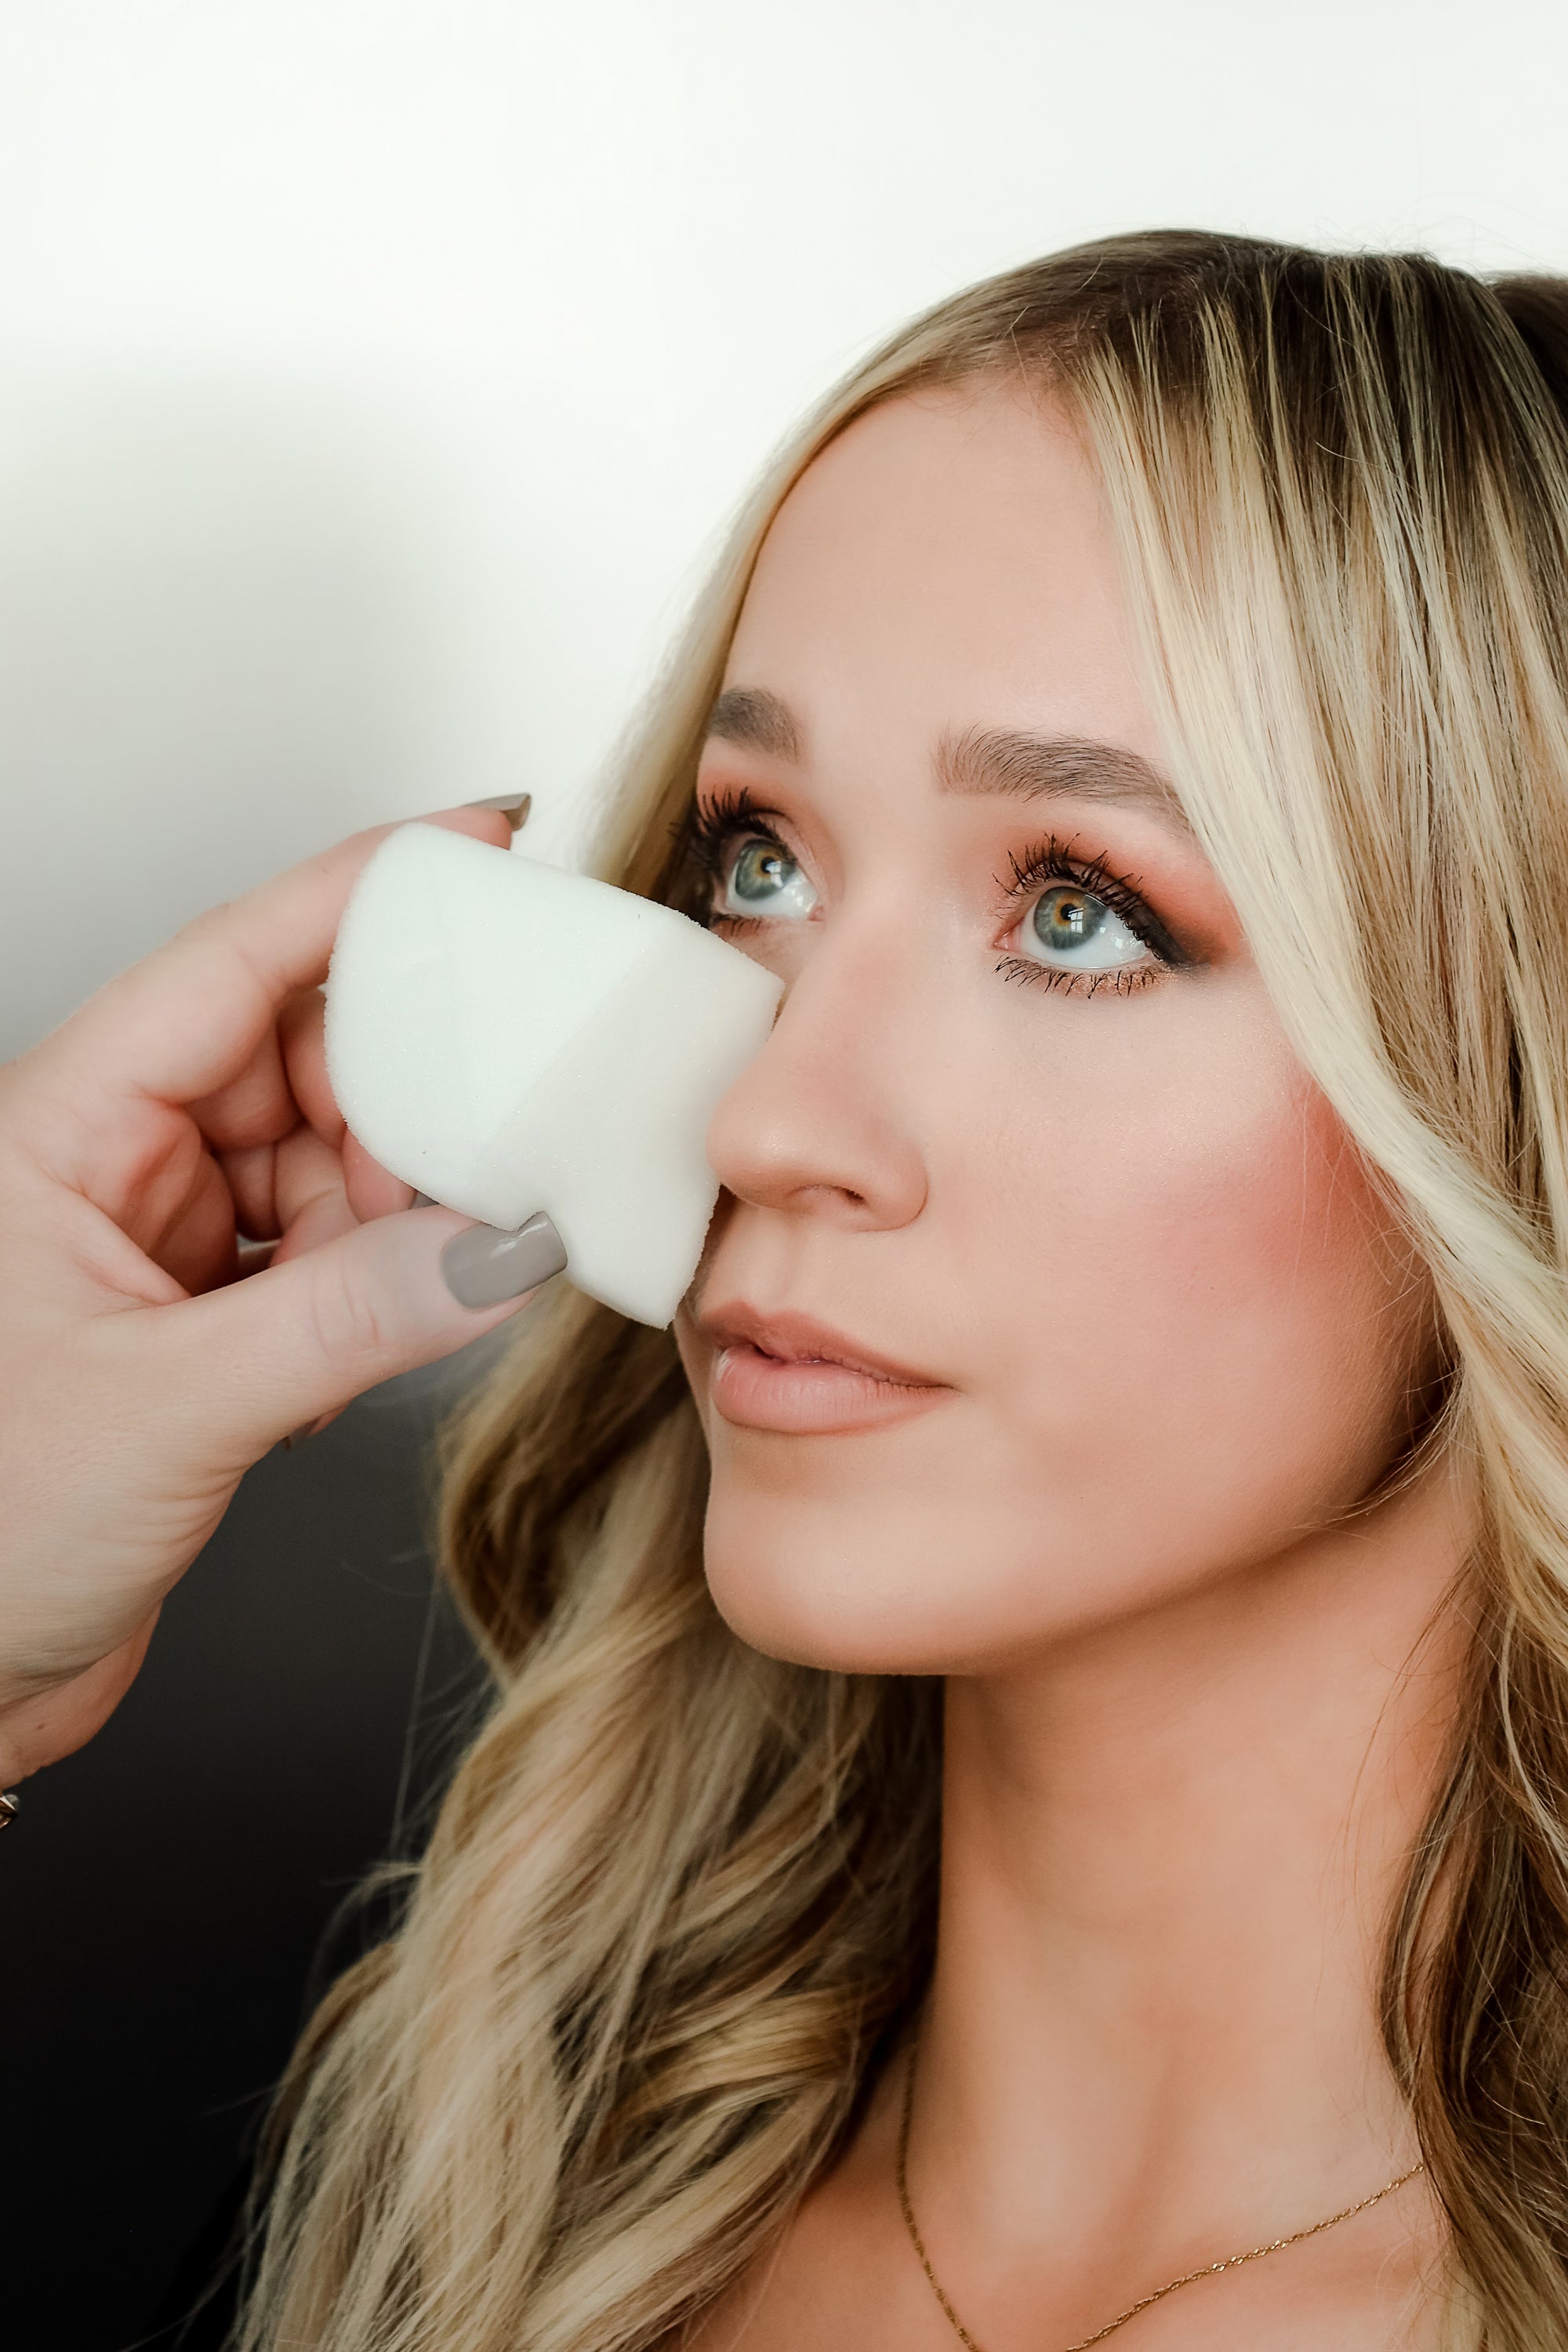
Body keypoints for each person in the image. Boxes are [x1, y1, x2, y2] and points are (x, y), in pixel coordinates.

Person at [5, 228, 1568, 2352]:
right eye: (758, 862)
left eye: (1086, 911)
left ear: (1513, 1086)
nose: (765, 1120)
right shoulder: (423, 2233)